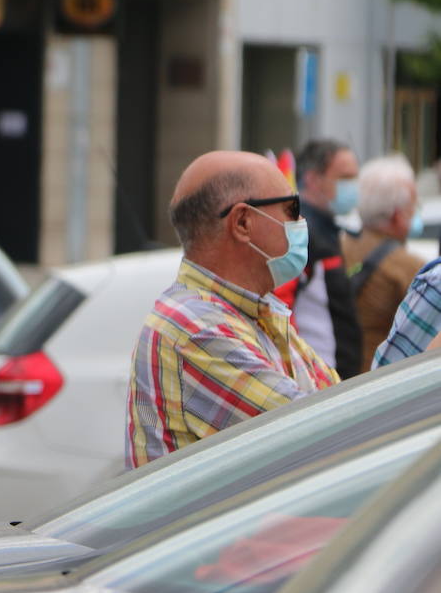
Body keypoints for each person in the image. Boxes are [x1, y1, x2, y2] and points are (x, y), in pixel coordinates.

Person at [126, 150, 337, 468]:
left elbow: (339, 402)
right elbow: (324, 433)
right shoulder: (197, 327)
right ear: (242, 222)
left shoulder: (256, 312)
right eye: (292, 208)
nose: (301, 222)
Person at [283, 139, 362, 377]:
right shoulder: (301, 234)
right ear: (312, 179)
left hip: (332, 379)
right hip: (319, 382)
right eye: (345, 178)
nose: (353, 187)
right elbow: (281, 309)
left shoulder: (326, 230)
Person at [341, 155, 428, 367]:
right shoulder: (408, 266)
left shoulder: (338, 246)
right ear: (397, 216)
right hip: (379, 383)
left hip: (337, 375)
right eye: (413, 206)